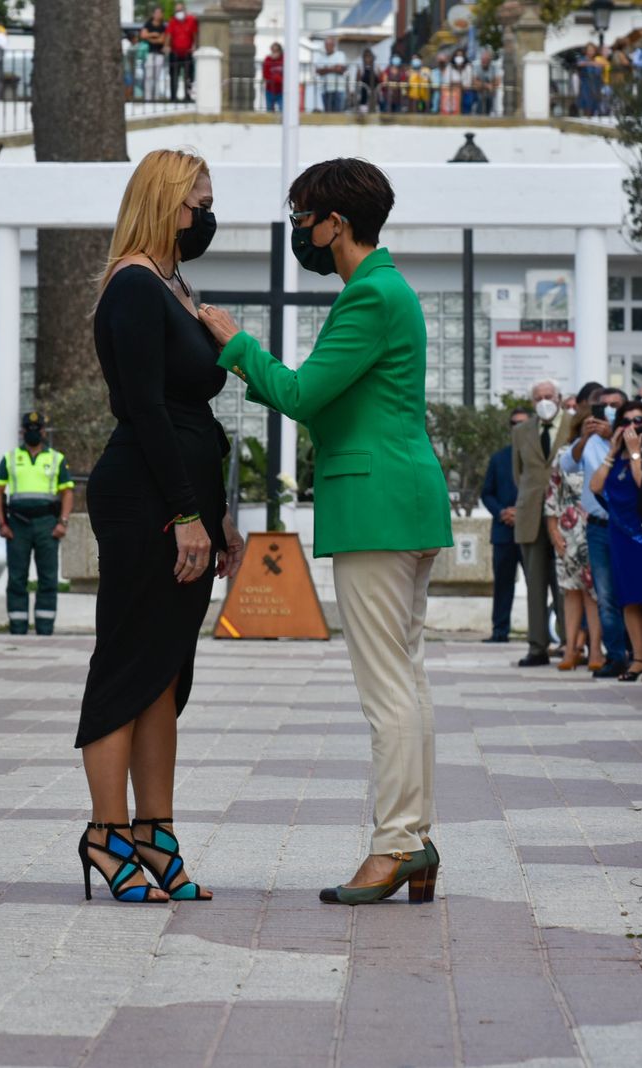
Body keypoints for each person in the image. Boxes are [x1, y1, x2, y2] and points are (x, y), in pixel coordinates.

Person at [199, 157, 453, 905]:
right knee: (406, 679)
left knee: (387, 689)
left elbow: (302, 393)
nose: (299, 232)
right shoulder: (388, 288)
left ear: (336, 222)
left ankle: (396, 843)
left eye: (303, 218)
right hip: (402, 499)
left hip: (376, 505)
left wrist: (235, 342)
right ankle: (415, 840)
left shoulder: (369, 295)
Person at [76, 150, 240, 904]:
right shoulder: (134, 286)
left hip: (181, 495)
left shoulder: (173, 285)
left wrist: (218, 513)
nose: (206, 216)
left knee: (166, 672)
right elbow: (145, 409)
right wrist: (185, 513)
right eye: (198, 203)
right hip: (146, 498)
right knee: (127, 665)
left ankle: (154, 829)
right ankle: (106, 832)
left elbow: (193, 413)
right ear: (166, 203)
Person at [593, 399, 642, 682]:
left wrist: (636, 452)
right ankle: (638, 657)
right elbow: (595, 486)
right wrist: (613, 451)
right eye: (625, 421)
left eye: (638, 420)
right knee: (629, 599)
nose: (631, 426)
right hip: (619, 534)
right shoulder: (616, 457)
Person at [563, 388, 632, 677]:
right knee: (605, 595)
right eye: (604, 406)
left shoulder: (630, 435)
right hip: (598, 526)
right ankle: (615, 655)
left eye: (615, 405)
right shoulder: (589, 440)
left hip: (629, 525)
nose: (609, 410)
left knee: (634, 591)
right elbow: (567, 464)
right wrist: (585, 438)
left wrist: (612, 434)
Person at [0, 411, 74, 637]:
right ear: (22, 432)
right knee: (17, 578)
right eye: (28, 428)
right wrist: (2, 524)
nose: (32, 432)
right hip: (17, 525)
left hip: (47, 524)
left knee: (48, 578)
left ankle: (45, 629)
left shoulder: (56, 458)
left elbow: (67, 493)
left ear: (43, 432)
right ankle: (17, 628)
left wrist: (63, 522)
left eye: (36, 429)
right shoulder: (10, 458)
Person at [510, 380, 566, 667]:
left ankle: (571, 642)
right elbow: (518, 473)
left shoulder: (572, 425)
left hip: (566, 515)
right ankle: (537, 646)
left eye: (549, 396)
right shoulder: (521, 431)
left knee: (566, 583)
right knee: (535, 583)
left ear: (559, 398)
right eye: (538, 397)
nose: (544, 401)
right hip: (530, 513)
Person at [546, 404, 602, 670]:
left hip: (596, 527)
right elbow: (552, 494)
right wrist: (553, 531)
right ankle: (570, 649)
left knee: (594, 593)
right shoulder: (564, 454)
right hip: (568, 530)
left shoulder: (604, 452)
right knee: (570, 591)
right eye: (586, 424)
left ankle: (596, 651)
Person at [479, 409, 528, 644]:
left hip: (530, 532)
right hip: (503, 532)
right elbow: (486, 493)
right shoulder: (498, 458)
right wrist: (502, 512)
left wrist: (523, 513)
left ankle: (540, 634)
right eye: (514, 423)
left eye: (523, 424)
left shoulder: (538, 458)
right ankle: (500, 630)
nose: (518, 428)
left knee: (538, 584)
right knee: (503, 583)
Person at [166, 3, 197, 103]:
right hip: (175, 52)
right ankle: (173, 97)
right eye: (177, 11)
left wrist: (194, 46)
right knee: (174, 75)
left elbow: (195, 34)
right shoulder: (172, 21)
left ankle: (188, 96)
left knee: (189, 76)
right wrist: (167, 46)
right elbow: (169, 35)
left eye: (180, 10)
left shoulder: (191, 20)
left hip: (187, 52)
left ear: (184, 10)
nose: (179, 13)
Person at [141, 7, 167, 103]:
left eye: (160, 13)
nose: (158, 15)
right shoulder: (148, 24)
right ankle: (147, 98)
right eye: (156, 13)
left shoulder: (163, 27)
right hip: (150, 53)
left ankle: (155, 97)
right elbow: (143, 35)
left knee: (156, 76)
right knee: (148, 76)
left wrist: (150, 38)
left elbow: (162, 40)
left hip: (159, 54)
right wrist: (153, 34)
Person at [316, 37, 348, 113]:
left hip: (339, 89)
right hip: (325, 89)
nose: (327, 47)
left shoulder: (340, 55)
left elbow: (340, 69)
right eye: (326, 45)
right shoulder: (321, 57)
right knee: (328, 114)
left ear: (333, 45)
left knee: (338, 114)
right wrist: (333, 68)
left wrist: (326, 68)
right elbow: (318, 71)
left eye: (329, 45)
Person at [469, 47, 501, 115]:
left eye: (487, 60)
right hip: (477, 91)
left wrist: (484, 84)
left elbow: (497, 81)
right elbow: (474, 81)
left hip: (490, 93)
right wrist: (487, 85)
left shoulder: (495, 66)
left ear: (490, 60)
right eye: (483, 60)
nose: (484, 62)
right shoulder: (476, 65)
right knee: (479, 99)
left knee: (490, 100)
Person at [440, 50, 466, 115]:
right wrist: (457, 84)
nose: (459, 57)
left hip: (465, 91)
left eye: (461, 56)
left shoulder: (467, 67)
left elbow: (467, 83)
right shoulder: (449, 67)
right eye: (457, 56)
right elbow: (447, 81)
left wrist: (459, 84)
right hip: (452, 92)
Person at [262, 42, 283, 112]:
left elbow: (287, 75)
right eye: (273, 51)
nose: (274, 53)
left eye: (276, 51)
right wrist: (275, 78)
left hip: (281, 91)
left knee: (283, 110)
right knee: (269, 111)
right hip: (270, 90)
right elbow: (265, 74)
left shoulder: (284, 60)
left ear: (280, 51)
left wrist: (278, 79)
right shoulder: (268, 59)